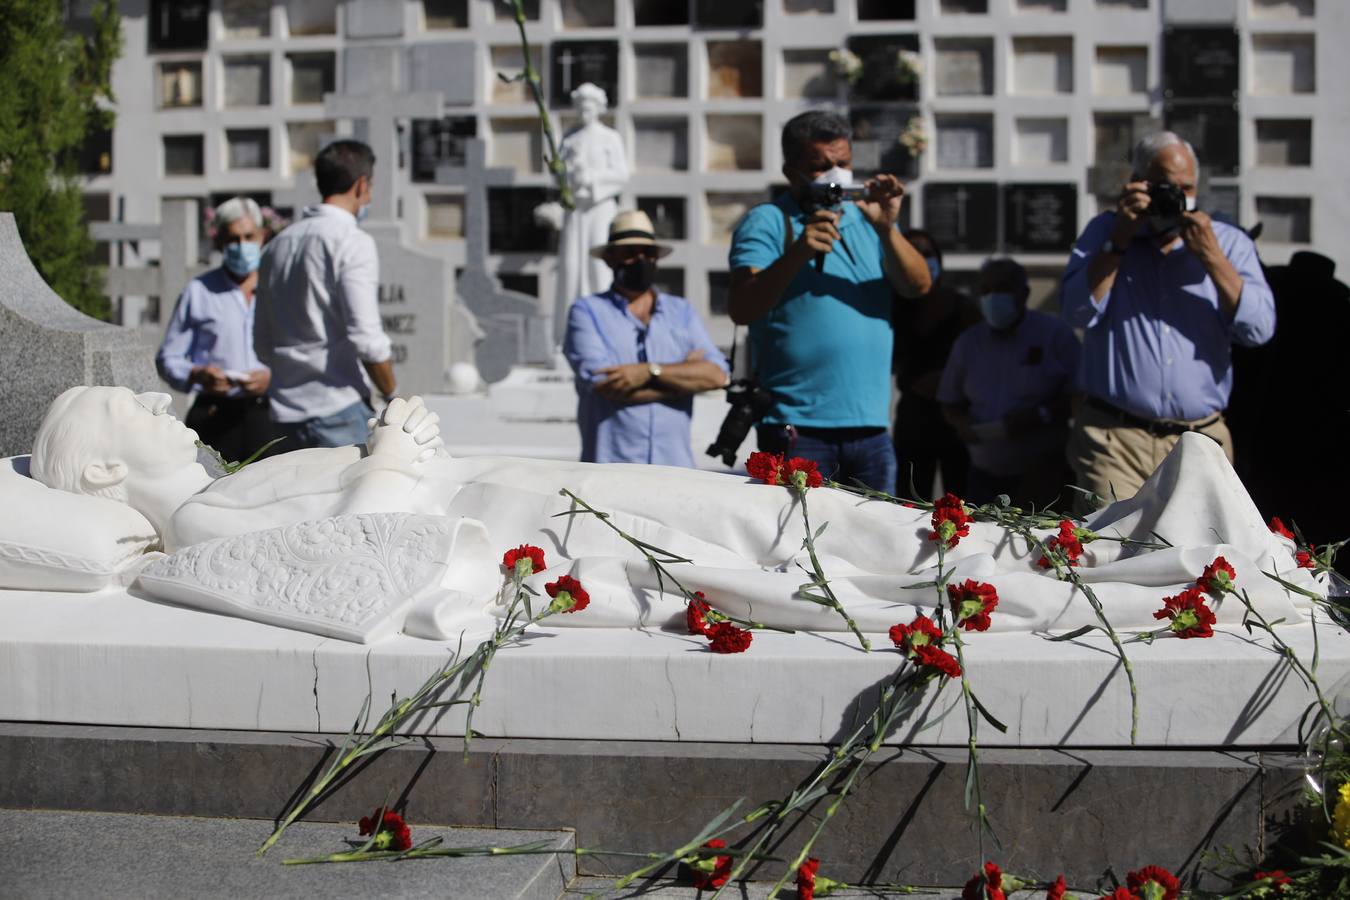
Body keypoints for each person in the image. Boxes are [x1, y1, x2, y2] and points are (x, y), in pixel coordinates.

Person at [25, 386, 1316, 637]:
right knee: (813, 548)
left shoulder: (232, 482)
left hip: (573, 495)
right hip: (565, 526)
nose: (154, 400)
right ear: (98, 478)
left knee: (833, 529)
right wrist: (394, 457)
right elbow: (360, 564)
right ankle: (1107, 577)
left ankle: (1099, 552)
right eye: (128, 415)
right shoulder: (198, 527)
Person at [1061, 131, 1276, 507]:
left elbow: (1258, 330)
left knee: (1203, 556)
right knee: (1113, 555)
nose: (1177, 196)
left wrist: (1212, 258)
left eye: (1186, 186)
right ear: (1140, 183)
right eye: (1166, 186)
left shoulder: (1227, 242)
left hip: (1201, 441)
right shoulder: (1105, 232)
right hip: (1115, 439)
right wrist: (1118, 242)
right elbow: (1076, 311)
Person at [728, 110, 931, 491]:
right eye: (819, 166)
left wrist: (887, 228)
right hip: (797, 427)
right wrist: (797, 253)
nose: (835, 175)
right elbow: (742, 307)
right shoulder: (769, 221)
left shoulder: (867, 219)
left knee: (873, 547)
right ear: (792, 173)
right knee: (798, 544)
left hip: (870, 428)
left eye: (843, 164)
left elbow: (918, 286)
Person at [254, 140, 396, 450]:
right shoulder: (351, 241)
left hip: (283, 413)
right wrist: (392, 395)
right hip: (337, 407)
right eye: (370, 186)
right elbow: (367, 339)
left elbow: (262, 343)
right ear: (361, 185)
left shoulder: (276, 246)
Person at [562, 210, 730, 466]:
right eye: (630, 253)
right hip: (611, 468)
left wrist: (650, 372)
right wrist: (684, 380)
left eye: (648, 253)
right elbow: (606, 385)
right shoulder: (587, 312)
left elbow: (717, 375)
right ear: (610, 258)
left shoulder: (681, 311)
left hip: (675, 468)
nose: (641, 260)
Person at [938, 258, 1080, 507]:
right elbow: (949, 401)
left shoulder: (1054, 334)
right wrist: (961, 423)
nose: (993, 297)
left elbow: (1080, 396)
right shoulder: (969, 343)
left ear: (1023, 293)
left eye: (1002, 288)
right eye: (985, 290)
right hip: (983, 474)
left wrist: (1040, 416)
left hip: (1043, 473)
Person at [155, 197, 274, 462]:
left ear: (262, 236)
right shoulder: (199, 292)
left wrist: (271, 377)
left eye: (248, 236)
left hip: (269, 411)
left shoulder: (279, 288)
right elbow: (168, 359)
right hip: (215, 412)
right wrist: (198, 374)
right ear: (219, 241)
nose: (242, 246)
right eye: (233, 239)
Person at [891, 229, 972, 500]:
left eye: (928, 254)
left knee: (961, 505)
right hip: (914, 420)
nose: (923, 261)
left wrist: (949, 381)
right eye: (914, 254)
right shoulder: (894, 308)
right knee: (910, 502)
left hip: (957, 419)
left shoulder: (962, 307)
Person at [552, 83, 630, 346]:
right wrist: (568, 176)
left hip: (600, 209)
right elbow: (557, 175)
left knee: (600, 266)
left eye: (589, 106)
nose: (584, 111)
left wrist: (593, 179)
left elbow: (621, 175)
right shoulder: (569, 138)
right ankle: (569, 335)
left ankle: (604, 332)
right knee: (572, 268)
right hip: (576, 212)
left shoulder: (610, 138)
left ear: (598, 108)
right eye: (580, 106)